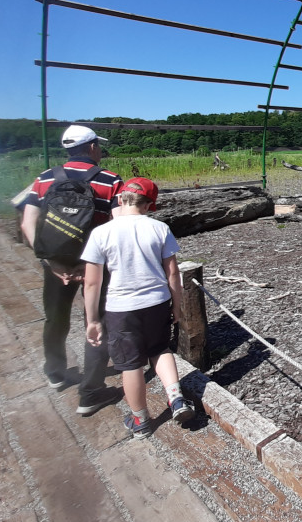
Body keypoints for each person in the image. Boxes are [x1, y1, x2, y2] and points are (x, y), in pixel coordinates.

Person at [18, 125, 124, 416]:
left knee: (55, 317)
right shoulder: (110, 181)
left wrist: (51, 262)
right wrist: (89, 265)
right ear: (91, 147)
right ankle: (90, 392)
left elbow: (28, 224)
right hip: (96, 266)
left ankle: (55, 371)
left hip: (55, 265)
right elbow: (118, 228)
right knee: (98, 321)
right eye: (98, 146)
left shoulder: (44, 178)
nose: (100, 151)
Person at [80, 177, 194, 438]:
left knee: (130, 364)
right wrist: (177, 306)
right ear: (149, 205)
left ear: (120, 199)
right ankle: (176, 398)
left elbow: (91, 283)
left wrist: (93, 319)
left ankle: (140, 420)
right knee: (159, 349)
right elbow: (173, 273)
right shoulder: (159, 228)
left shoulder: (101, 232)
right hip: (156, 301)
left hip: (121, 308)